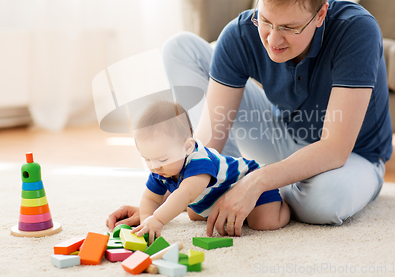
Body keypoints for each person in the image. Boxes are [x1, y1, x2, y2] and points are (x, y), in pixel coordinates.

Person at [107, 0, 392, 237]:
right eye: (265, 20)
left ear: (320, 15)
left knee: (323, 203)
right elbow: (210, 144)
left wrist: (257, 181)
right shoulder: (242, 33)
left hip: (352, 156)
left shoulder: (356, 30)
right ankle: (233, 187)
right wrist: (162, 205)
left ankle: (257, 189)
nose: (273, 39)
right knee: (179, 47)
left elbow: (335, 148)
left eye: (289, 28)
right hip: (281, 139)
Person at [123, 100, 289, 242]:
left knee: (264, 222)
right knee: (193, 213)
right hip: (218, 195)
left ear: (187, 147)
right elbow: (150, 198)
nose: (154, 167)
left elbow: (185, 194)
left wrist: (158, 219)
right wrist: (146, 223)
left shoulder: (200, 162)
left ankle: (287, 206)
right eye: (147, 159)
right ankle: (236, 214)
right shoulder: (160, 169)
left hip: (253, 182)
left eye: (162, 159)